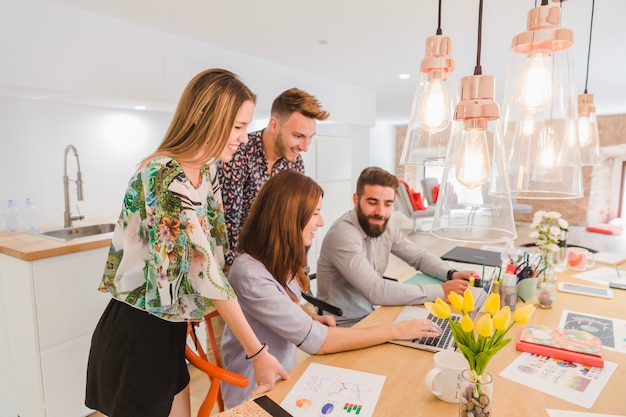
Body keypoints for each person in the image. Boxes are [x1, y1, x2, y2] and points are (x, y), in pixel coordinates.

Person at [85, 68, 288, 417]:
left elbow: (215, 248)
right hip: (137, 332)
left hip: (169, 328)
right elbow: (203, 267)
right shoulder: (163, 175)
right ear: (200, 116)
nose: (243, 137)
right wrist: (256, 352)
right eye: (237, 126)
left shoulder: (205, 171)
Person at [220, 170, 443, 408]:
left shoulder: (275, 261)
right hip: (256, 392)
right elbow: (319, 342)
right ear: (289, 217)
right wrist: (397, 331)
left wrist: (309, 316)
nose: (321, 221)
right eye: (315, 213)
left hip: (286, 378)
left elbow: (280, 306)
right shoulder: (251, 274)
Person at [316, 166, 472, 326]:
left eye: (388, 204)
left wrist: (451, 273)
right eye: (372, 202)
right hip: (343, 325)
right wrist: (441, 292)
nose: (380, 211)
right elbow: (375, 290)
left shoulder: (385, 226)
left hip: (373, 313)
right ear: (356, 200)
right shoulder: (343, 234)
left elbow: (418, 257)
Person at [219, 87, 330, 268]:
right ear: (273, 125)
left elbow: (295, 220)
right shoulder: (239, 154)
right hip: (241, 268)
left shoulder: (295, 164)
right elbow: (228, 226)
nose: (305, 147)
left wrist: (300, 269)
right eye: (298, 136)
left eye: (310, 138)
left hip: (276, 263)